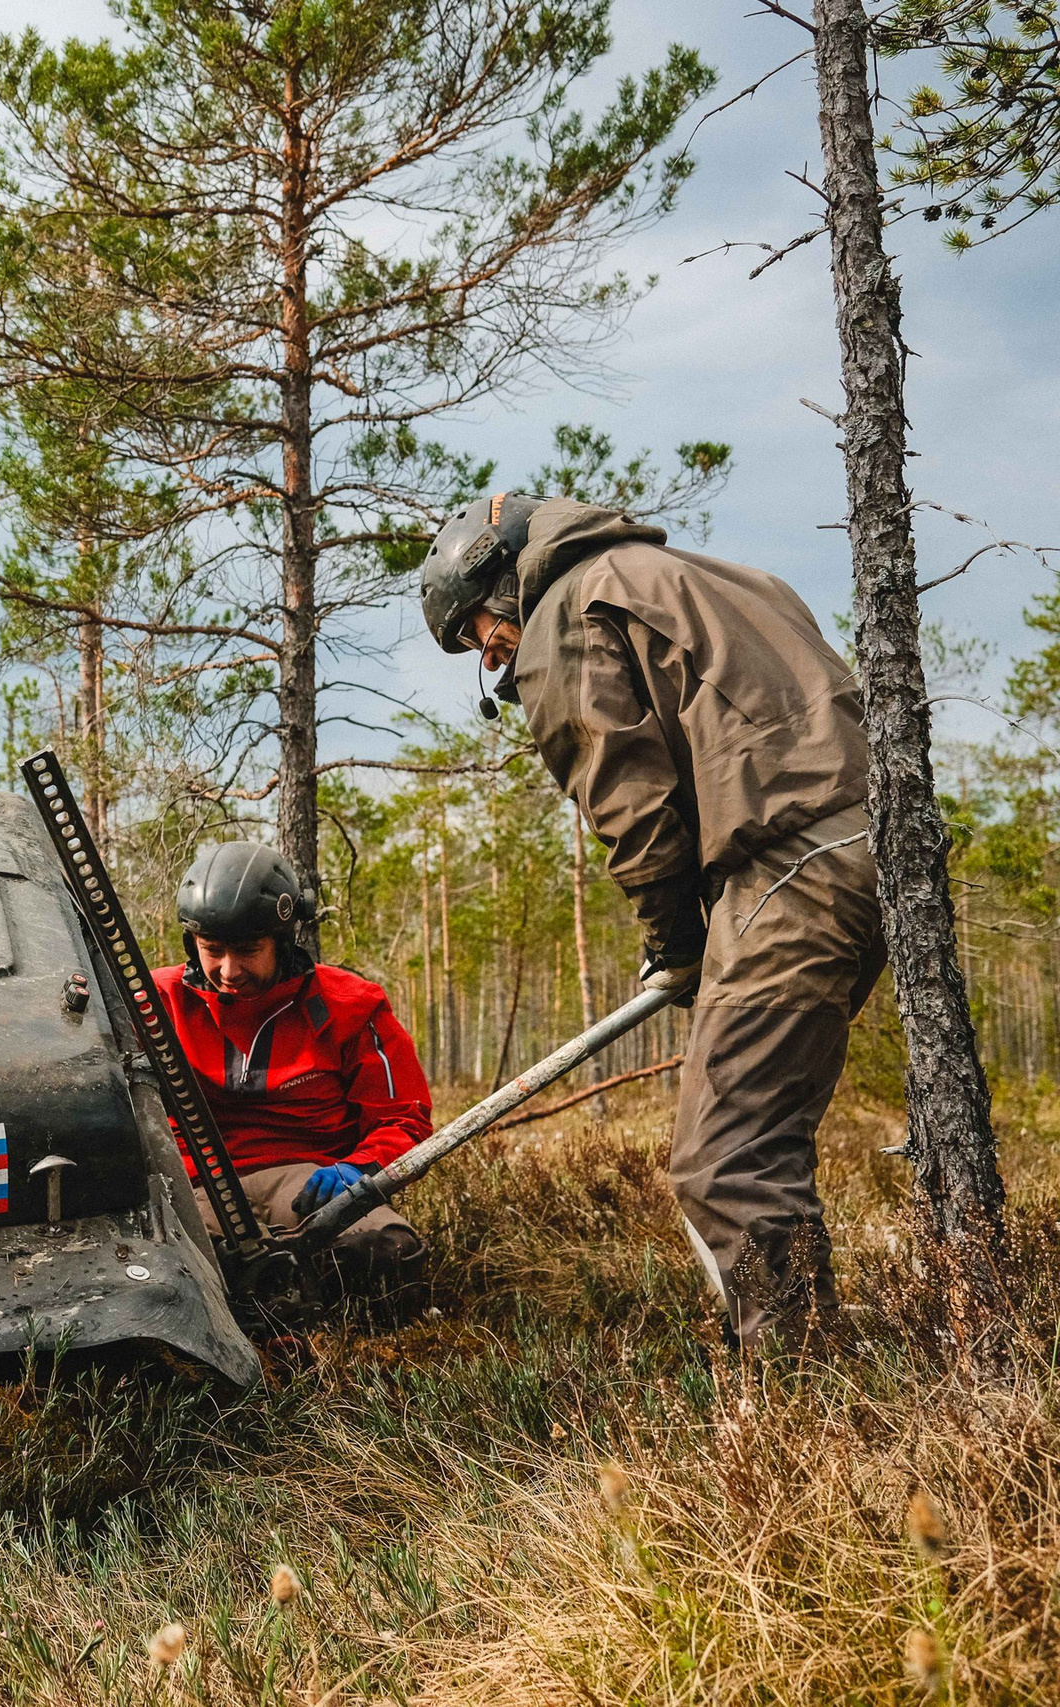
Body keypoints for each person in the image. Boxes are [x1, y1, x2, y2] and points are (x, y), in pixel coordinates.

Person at [418, 491, 885, 1349]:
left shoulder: (567, 607)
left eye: (479, 627)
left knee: (723, 1159)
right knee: (763, 1137)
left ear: (504, 574)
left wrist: (675, 941)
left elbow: (629, 800)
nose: (488, 653)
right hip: (870, 854)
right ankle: (819, 1352)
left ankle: (801, 1388)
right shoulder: (715, 577)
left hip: (789, 867)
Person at [153, 841, 433, 1300]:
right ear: (192, 942)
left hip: (309, 1184)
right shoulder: (151, 1000)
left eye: (247, 950)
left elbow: (404, 1118)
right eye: (212, 949)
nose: (229, 970)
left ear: (284, 941)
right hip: (196, 1185)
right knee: (182, 1271)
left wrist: (358, 1168)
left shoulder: (352, 1005)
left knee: (390, 1257)